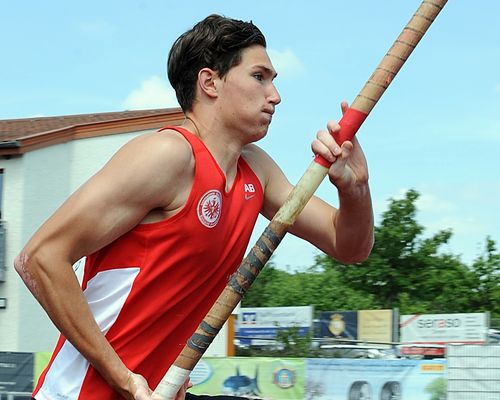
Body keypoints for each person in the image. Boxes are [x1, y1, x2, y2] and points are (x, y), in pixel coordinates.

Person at [15, 14, 374, 400]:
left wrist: (355, 190)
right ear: (210, 82)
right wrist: (125, 379)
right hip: (85, 393)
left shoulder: (257, 171)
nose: (275, 95)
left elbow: (348, 246)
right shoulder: (168, 156)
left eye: (273, 81)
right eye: (260, 77)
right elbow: (39, 258)